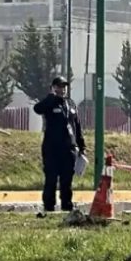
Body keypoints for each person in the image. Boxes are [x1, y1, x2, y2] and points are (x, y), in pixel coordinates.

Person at [32, 76, 85, 213]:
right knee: (51, 178)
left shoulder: (71, 104)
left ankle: (67, 205)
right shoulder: (50, 103)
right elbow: (37, 109)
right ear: (54, 87)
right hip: (52, 149)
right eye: (59, 86)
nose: (62, 89)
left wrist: (81, 146)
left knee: (67, 179)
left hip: (69, 149)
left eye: (64, 87)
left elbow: (77, 126)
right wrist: (50, 96)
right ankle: (49, 206)